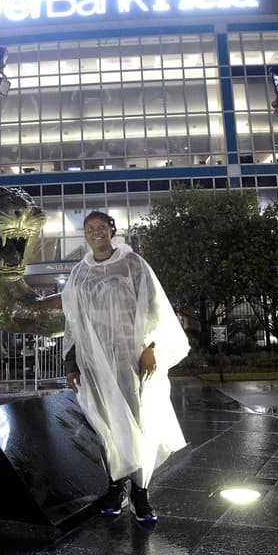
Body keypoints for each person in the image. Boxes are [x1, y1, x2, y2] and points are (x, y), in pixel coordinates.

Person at [61, 211, 189, 524]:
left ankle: (141, 494)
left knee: (138, 422)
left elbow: (152, 306)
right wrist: (71, 361)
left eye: (101, 227)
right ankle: (115, 488)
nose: (96, 232)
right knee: (107, 425)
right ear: (86, 235)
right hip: (95, 362)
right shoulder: (80, 273)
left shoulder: (133, 264)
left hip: (130, 361)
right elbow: (74, 323)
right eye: (90, 229)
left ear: (112, 230)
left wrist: (149, 347)